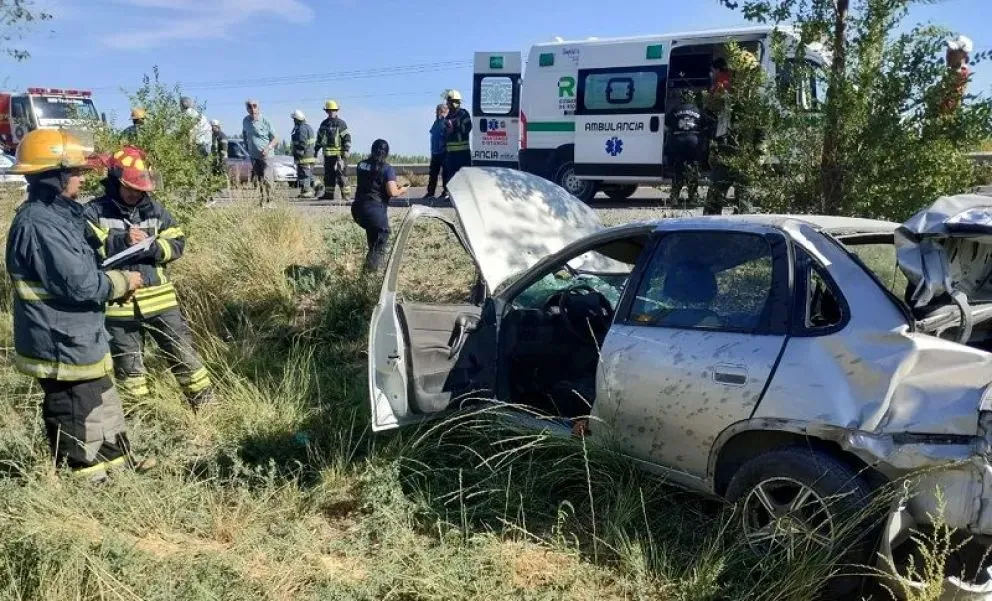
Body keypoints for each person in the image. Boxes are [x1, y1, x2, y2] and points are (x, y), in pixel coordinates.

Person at [5, 129, 150, 482]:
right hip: (58, 341)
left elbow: (89, 249)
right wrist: (123, 282)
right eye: (75, 173)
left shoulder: (59, 215)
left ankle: (117, 466)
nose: (81, 180)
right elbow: (80, 283)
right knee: (75, 409)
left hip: (78, 336)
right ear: (54, 177)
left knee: (101, 401)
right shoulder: (39, 223)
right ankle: (86, 481)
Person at [83, 146, 214, 409]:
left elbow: (177, 243)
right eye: (129, 188)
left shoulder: (155, 211)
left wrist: (152, 247)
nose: (135, 194)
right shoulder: (94, 212)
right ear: (115, 182)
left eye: (140, 188)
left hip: (161, 302)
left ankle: (206, 404)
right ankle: (141, 414)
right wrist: (121, 241)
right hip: (119, 305)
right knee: (129, 367)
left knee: (183, 354)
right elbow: (86, 251)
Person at [704, 51, 760, 215]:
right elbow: (711, 116)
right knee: (713, 201)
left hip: (745, 154)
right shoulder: (723, 93)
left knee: (745, 203)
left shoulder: (755, 98)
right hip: (724, 152)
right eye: (736, 72)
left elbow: (761, 128)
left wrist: (759, 152)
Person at [351, 139, 409, 271]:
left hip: (358, 208)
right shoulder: (387, 168)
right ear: (386, 153)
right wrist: (403, 189)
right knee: (381, 239)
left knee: (373, 238)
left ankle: (370, 271)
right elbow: (392, 192)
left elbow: (371, 181)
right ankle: (370, 273)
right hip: (374, 211)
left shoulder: (361, 165)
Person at [665, 91, 708, 206]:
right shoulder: (698, 110)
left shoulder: (675, 109)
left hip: (678, 142)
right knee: (693, 170)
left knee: (678, 170)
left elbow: (667, 123)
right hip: (693, 143)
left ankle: (674, 197)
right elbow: (705, 125)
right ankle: (693, 197)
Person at [242, 99, 278, 206]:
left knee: (267, 178)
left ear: (258, 107)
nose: (252, 109)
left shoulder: (265, 121)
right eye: (250, 107)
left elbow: (276, 138)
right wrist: (247, 147)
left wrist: (268, 148)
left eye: (254, 106)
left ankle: (271, 201)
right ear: (247, 109)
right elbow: (245, 134)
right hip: (254, 156)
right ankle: (263, 200)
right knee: (258, 179)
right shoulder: (245, 121)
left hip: (266, 156)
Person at [315, 99, 352, 200]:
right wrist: (315, 151)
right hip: (328, 156)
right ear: (326, 111)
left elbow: (347, 138)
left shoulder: (341, 124)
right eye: (329, 110)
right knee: (328, 176)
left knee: (342, 175)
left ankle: (347, 196)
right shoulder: (324, 124)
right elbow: (319, 139)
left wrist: (346, 150)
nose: (331, 112)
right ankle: (328, 195)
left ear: (336, 111)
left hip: (340, 156)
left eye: (333, 110)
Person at [442, 89, 472, 187]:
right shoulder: (448, 116)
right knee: (451, 178)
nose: (448, 104)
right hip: (451, 154)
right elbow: (445, 132)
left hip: (463, 153)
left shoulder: (464, 114)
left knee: (465, 177)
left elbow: (467, 127)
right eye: (448, 101)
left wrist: (454, 125)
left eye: (450, 101)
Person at [939, 35, 973, 115]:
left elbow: (950, 103)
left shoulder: (961, 73)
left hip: (943, 119)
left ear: (964, 54)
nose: (949, 54)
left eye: (954, 51)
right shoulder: (951, 72)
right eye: (949, 50)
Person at [290, 110, 317, 199]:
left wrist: (298, 152)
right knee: (310, 175)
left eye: (294, 119)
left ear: (297, 119)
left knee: (304, 174)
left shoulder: (301, 129)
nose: (293, 121)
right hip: (310, 156)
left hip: (304, 157)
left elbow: (302, 143)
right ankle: (319, 188)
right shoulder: (308, 127)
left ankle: (306, 191)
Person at [425, 103, 448, 199]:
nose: (439, 112)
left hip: (444, 152)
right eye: (438, 110)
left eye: (441, 111)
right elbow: (433, 134)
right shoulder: (436, 122)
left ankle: (446, 192)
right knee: (433, 173)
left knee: (445, 173)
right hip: (435, 152)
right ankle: (430, 193)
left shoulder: (447, 121)